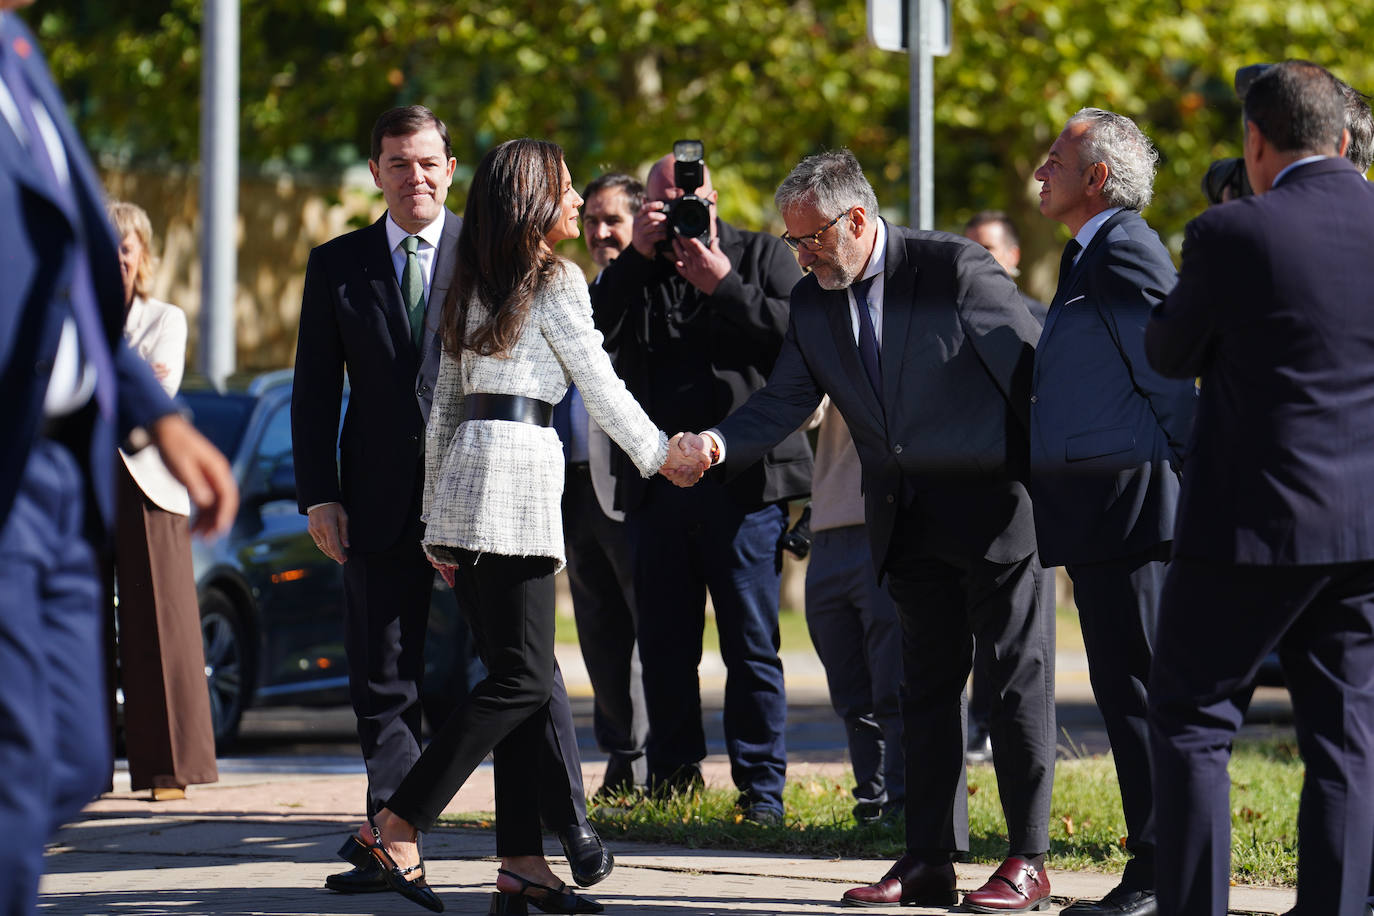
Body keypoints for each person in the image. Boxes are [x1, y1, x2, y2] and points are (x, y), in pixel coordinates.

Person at [678, 148, 1056, 912]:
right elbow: (785, 398)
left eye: (811, 239)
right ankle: (930, 858)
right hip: (907, 521)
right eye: (791, 242)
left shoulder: (954, 269)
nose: (801, 256)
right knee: (922, 693)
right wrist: (716, 444)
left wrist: (1057, 494)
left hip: (998, 514)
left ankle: (1029, 857)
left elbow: (1031, 380)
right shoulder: (815, 303)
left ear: (857, 219)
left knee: (1015, 685)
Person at [335, 138, 703, 914]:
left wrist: (437, 519)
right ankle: (398, 824)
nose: (574, 202)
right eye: (565, 190)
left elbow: (438, 406)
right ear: (535, 199)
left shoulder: (469, 281)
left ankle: (522, 861)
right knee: (522, 679)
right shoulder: (556, 280)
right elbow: (598, 382)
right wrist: (661, 454)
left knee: (517, 679)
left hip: (467, 494)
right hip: (515, 493)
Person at [292, 107, 613, 896]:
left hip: (480, 499)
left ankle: (555, 827)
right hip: (374, 501)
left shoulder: (493, 251)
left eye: (430, 162)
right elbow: (312, 391)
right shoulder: (338, 264)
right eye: (399, 164)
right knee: (386, 676)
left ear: (451, 164)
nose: (417, 177)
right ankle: (399, 846)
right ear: (375, 172)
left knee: (518, 672)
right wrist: (319, 496)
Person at [0, 4, 237, 912]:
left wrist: (159, 418)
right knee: (19, 769)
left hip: (66, 466)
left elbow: (75, 284)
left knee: (71, 758)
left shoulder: (20, 54)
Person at [1145, 60, 1374, 916]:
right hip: (1363, 531)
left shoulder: (1234, 232)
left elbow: (1169, 352)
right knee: (1346, 742)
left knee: (1195, 724)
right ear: (1345, 139)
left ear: (1254, 139)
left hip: (1247, 526)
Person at [589, 149, 809, 824]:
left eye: (690, 199)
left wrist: (724, 286)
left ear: (714, 197)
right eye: (661, 201)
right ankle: (674, 782)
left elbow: (800, 344)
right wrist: (635, 258)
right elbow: (588, 338)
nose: (681, 210)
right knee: (663, 644)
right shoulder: (636, 271)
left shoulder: (761, 256)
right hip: (659, 490)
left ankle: (761, 794)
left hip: (745, 490)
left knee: (749, 645)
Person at [1029, 109, 1197, 916]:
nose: (1040, 167)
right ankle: (1157, 865)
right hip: (1104, 514)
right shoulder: (1084, 254)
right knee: (1127, 695)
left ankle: (1164, 873)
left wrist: (1196, 487)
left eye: (1057, 156)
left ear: (1097, 178)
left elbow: (1172, 377)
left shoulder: (1125, 246)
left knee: (1144, 697)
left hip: (1135, 512)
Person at [107, 200, 219, 801]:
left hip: (149, 486)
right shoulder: (70, 317)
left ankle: (167, 772)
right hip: (83, 486)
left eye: (125, 247)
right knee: (78, 626)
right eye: (105, 246)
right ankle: (82, 770)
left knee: (161, 626)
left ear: (143, 256)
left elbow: (155, 393)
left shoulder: (166, 318)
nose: (115, 257)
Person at [553, 171, 649, 798]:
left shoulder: (647, 297)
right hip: (571, 487)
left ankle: (657, 763)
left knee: (649, 630)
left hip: (633, 484)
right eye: (590, 221)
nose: (599, 232)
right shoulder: (574, 293)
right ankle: (622, 760)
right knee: (598, 632)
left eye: (612, 220)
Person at [801, 398, 904, 825]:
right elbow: (801, 413)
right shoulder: (832, 333)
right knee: (848, 689)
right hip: (827, 529)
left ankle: (903, 804)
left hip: (885, 521)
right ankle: (872, 798)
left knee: (893, 682)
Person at [963, 210, 1047, 325]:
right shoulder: (948, 313)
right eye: (968, 248)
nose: (975, 255)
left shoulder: (1038, 319)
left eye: (986, 248)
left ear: (1013, 256)